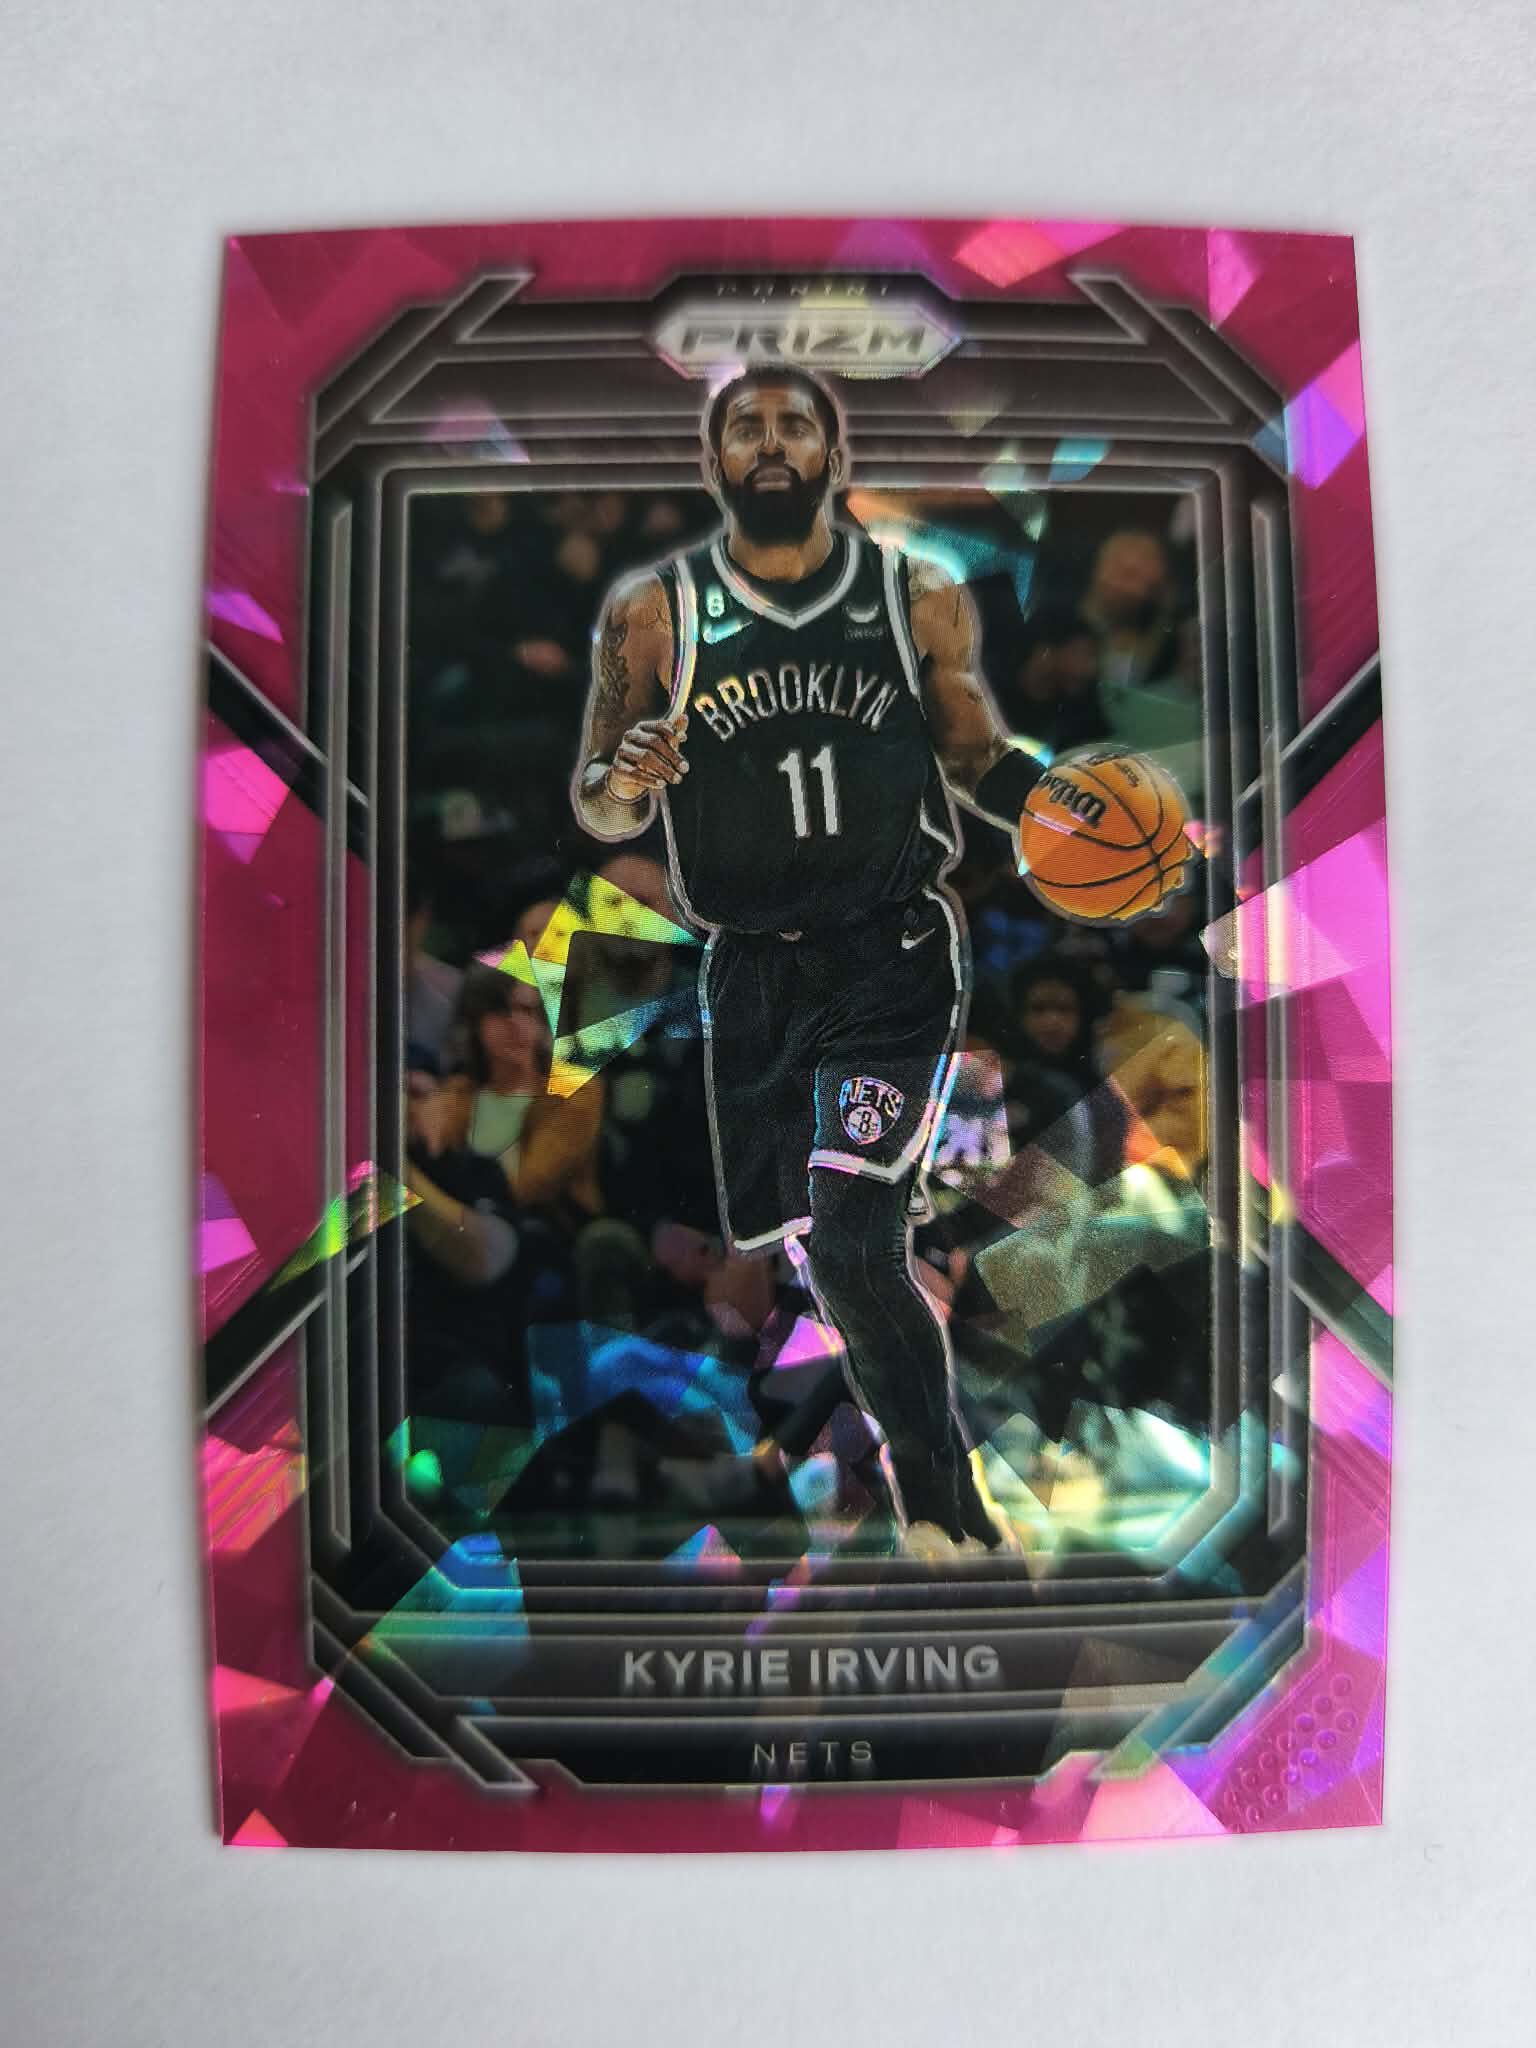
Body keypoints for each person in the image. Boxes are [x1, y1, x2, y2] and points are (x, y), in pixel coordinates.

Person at [569, 366, 1167, 1559]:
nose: (772, 440)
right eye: (747, 426)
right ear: (714, 461)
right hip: (752, 974)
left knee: (852, 1238)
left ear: (834, 457)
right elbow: (598, 801)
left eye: (796, 424)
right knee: (821, 1255)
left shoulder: (914, 592)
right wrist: (624, 774)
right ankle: (907, 1456)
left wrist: (1064, 806)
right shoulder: (654, 610)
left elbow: (975, 753)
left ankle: (941, 1501)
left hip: (888, 958)